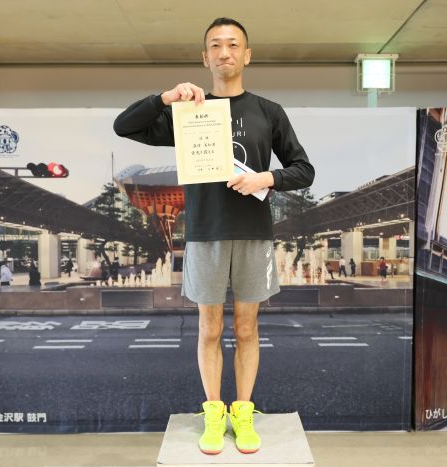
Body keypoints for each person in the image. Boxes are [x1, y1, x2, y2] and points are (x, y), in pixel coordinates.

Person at [114, 17, 314, 455]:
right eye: (216, 46)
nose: (225, 52)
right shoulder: (189, 113)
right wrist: (166, 98)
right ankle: (213, 413)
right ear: (205, 57)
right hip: (205, 233)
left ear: (247, 55)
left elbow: (304, 170)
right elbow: (124, 126)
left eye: (233, 44)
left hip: (253, 233)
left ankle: (243, 413)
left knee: (246, 327)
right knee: (208, 328)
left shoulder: (268, 111)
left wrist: (266, 178)